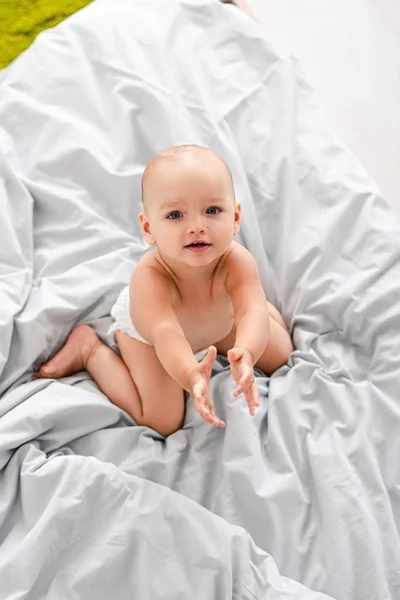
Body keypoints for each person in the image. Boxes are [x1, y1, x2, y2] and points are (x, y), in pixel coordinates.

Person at [34, 145, 293, 436]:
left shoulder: (237, 261)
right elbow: (166, 333)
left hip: (219, 323)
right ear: (148, 228)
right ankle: (90, 351)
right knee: (162, 421)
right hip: (152, 342)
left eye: (212, 210)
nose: (196, 226)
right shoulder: (150, 276)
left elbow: (250, 310)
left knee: (281, 353)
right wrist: (189, 373)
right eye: (175, 216)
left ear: (234, 218)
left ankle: (237, 333)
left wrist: (246, 350)